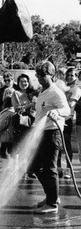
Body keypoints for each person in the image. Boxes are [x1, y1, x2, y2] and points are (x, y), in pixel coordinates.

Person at [32, 61, 70, 214]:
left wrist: (58, 112)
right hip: (41, 133)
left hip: (52, 133)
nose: (40, 78)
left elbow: (66, 109)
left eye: (43, 75)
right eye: (38, 75)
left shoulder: (56, 92)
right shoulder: (43, 91)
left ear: (51, 75)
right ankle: (51, 195)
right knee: (33, 166)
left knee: (49, 168)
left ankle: (52, 203)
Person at [11, 73, 37, 177]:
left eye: (25, 81)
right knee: (20, 145)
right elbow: (17, 108)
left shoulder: (33, 93)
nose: (24, 83)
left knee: (30, 146)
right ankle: (18, 170)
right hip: (21, 122)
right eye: (21, 81)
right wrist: (30, 105)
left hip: (32, 121)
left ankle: (29, 169)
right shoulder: (15, 93)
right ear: (18, 83)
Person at [57, 67, 81, 179]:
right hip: (57, 118)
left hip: (67, 119)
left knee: (66, 145)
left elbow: (71, 104)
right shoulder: (62, 86)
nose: (69, 77)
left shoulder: (76, 89)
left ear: (76, 77)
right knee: (56, 144)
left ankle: (68, 169)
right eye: (68, 75)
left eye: (72, 75)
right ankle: (58, 168)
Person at [0, 71, 15, 158]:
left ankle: (10, 152)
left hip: (15, 113)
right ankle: (3, 151)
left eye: (9, 80)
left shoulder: (17, 88)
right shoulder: (1, 90)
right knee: (4, 133)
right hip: (4, 113)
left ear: (12, 79)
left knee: (12, 134)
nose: (7, 82)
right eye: (5, 80)